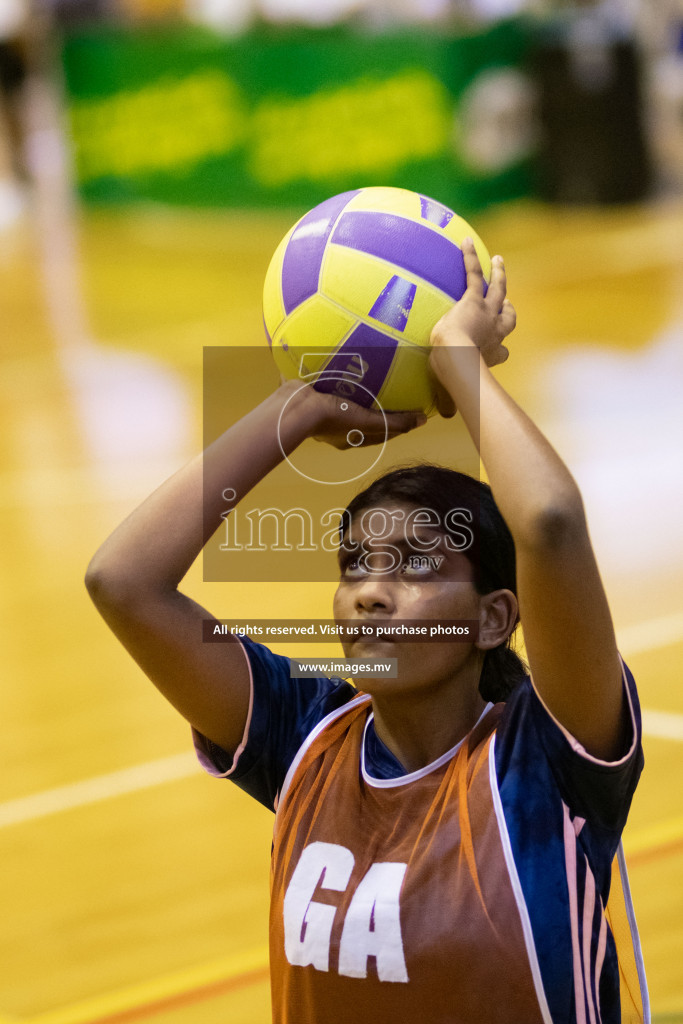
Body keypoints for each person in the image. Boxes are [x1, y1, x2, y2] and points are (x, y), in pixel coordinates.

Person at [85, 239, 648, 1023]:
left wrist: (458, 362)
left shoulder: (544, 757)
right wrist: (300, 408)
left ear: (493, 618)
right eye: (356, 564)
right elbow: (122, 582)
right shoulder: (304, 734)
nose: (371, 595)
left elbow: (549, 523)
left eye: (416, 567)